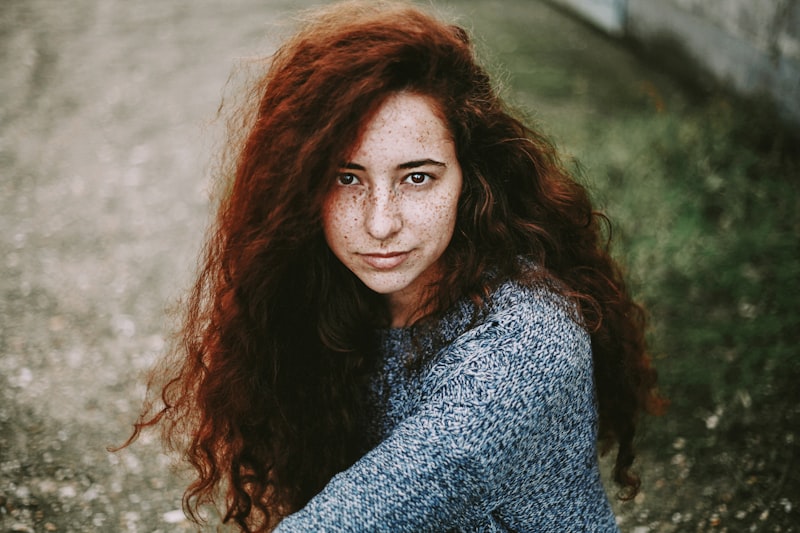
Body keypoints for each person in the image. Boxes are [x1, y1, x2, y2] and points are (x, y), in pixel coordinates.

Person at [122, 1, 665, 531]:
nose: (380, 224)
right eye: (347, 178)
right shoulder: (329, 298)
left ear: (470, 180)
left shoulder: (528, 342)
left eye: (417, 177)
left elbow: (368, 509)